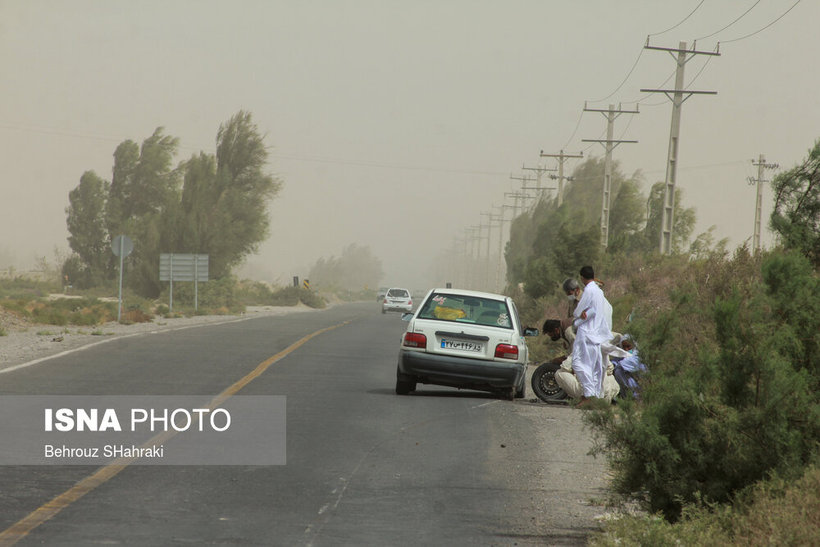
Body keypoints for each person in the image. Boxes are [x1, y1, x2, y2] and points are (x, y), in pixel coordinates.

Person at [543, 317, 620, 403]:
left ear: (556, 330)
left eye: (551, 334)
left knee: (561, 373)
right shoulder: (569, 324)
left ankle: (585, 398)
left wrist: (561, 360)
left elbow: (577, 351)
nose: (551, 337)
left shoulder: (568, 331)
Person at [570, 265, 613, 405]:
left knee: (578, 363)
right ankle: (592, 396)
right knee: (593, 366)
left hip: (586, 333)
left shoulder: (588, 290)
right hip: (597, 334)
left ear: (582, 277)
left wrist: (579, 316)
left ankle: (588, 395)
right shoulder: (599, 292)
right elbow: (595, 310)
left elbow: (578, 312)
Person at [610, 335, 648, 400]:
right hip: (627, 383)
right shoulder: (622, 355)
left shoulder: (638, 355)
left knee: (618, 371)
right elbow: (615, 361)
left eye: (628, 346)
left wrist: (617, 365)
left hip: (639, 382)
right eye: (624, 347)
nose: (626, 349)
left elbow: (625, 363)